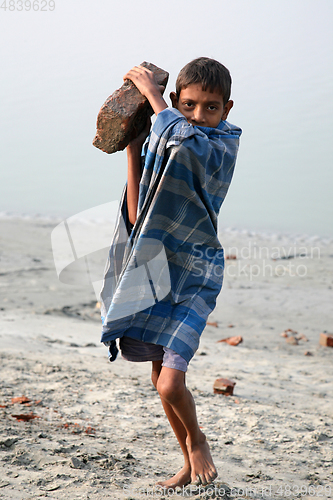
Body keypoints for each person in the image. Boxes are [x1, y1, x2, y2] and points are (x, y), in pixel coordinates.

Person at [100, 57, 242, 489]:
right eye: (191, 105)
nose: (200, 115)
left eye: (211, 107)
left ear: (227, 109)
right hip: (156, 269)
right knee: (158, 373)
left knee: (169, 384)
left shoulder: (219, 146)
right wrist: (131, 146)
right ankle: (186, 461)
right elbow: (136, 210)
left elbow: (186, 144)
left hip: (195, 275)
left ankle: (197, 442)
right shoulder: (165, 137)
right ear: (180, 101)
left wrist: (154, 97)